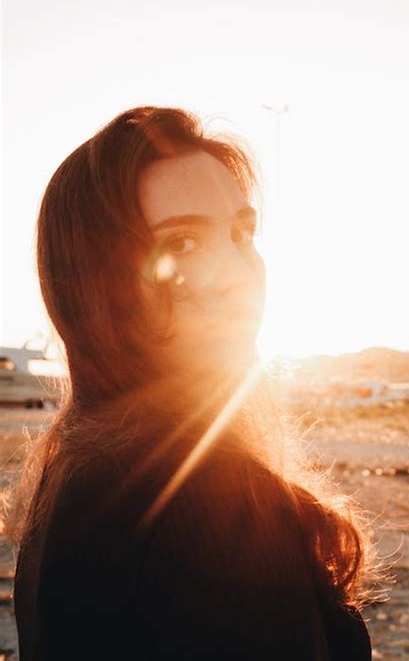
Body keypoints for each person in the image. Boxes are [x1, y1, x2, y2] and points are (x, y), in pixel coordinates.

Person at [3, 106, 384, 660]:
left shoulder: (74, 466)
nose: (236, 272)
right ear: (99, 287)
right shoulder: (204, 489)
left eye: (241, 233)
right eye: (181, 244)